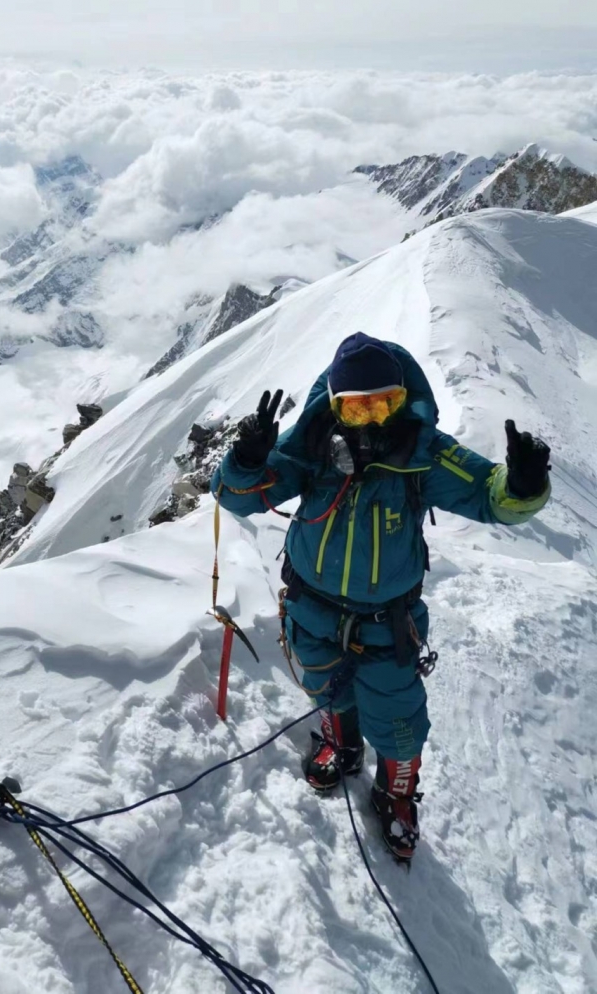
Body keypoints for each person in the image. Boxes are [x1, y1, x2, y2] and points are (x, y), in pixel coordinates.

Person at [211, 333, 551, 862]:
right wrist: (246, 459)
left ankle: (395, 794)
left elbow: (490, 496)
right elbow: (238, 498)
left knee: (398, 717)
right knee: (324, 685)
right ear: (335, 406)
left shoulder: (422, 453)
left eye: (384, 404)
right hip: (311, 605)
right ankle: (342, 746)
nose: (371, 420)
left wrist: (524, 485)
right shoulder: (311, 449)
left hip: (387, 620)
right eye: (357, 407)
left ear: (403, 400)